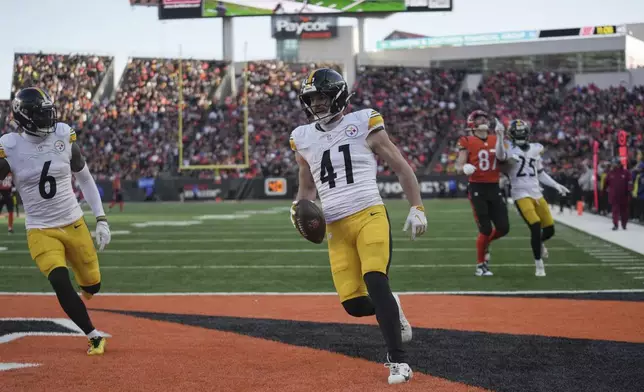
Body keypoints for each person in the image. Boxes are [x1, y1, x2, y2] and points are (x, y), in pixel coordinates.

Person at [289, 68, 427, 385]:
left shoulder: (364, 122)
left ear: (338, 94)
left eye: (322, 96)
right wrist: (300, 208)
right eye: (312, 98)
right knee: (353, 304)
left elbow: (401, 166)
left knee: (376, 280)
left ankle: (398, 361)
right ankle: (394, 307)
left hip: (369, 214)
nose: (317, 103)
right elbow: (307, 188)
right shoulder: (303, 138)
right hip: (336, 226)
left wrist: (417, 206)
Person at [0, 87, 111, 355]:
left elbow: (84, 177)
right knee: (59, 280)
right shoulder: (10, 147)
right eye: (40, 115)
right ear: (25, 118)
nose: (47, 120)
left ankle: (87, 289)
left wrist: (101, 218)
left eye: (48, 114)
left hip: (73, 223)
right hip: (40, 229)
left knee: (92, 285)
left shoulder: (63, 135)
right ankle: (93, 335)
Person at [505, 120, 570, 277]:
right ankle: (539, 265)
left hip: (536, 192)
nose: (520, 135)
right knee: (535, 226)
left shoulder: (536, 148)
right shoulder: (508, 149)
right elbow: (501, 162)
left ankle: (539, 243)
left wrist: (555, 185)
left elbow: (540, 173)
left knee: (549, 230)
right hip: (520, 193)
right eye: (517, 132)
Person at [455, 110, 510, 277]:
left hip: (494, 186)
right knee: (485, 229)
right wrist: (464, 168)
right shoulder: (466, 140)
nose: (483, 120)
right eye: (479, 119)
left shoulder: (497, 139)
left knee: (503, 227)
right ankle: (480, 265)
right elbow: (458, 165)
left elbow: (505, 160)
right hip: (477, 188)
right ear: (472, 123)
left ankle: (485, 244)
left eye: (484, 118)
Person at [605, 157, 632, 230]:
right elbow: (606, 183)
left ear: (619, 164)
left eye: (615, 164)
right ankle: (615, 224)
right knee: (615, 211)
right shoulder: (610, 173)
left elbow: (630, 182)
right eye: (613, 164)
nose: (614, 165)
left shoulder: (626, 172)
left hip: (624, 195)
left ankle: (624, 224)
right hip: (614, 196)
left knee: (624, 211)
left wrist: (629, 191)